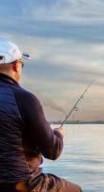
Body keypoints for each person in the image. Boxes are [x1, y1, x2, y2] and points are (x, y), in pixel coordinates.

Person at [0, 38, 82, 192]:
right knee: (76, 190)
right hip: (21, 185)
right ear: (16, 65)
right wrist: (58, 134)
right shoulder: (24, 99)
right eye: (21, 64)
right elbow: (53, 151)